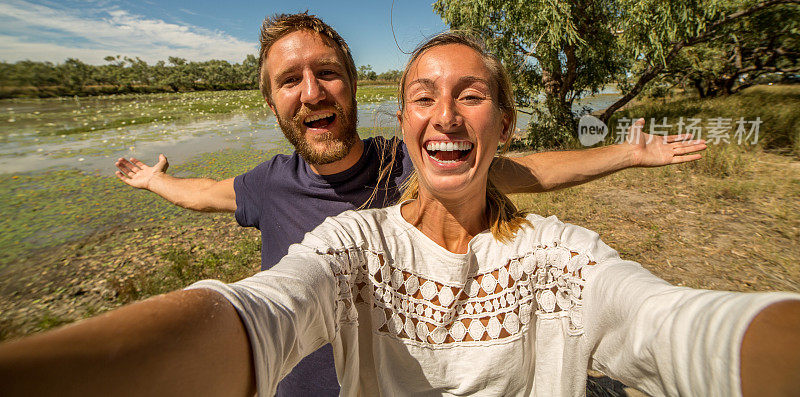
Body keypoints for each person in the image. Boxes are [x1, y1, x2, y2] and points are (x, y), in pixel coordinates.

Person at [4, 32, 797, 397]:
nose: (310, 91)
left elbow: (664, 320)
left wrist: (627, 153)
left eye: (326, 73)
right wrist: (151, 181)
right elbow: (252, 303)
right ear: (274, 102)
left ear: (354, 88)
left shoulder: (402, 161)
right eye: (289, 80)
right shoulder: (293, 199)